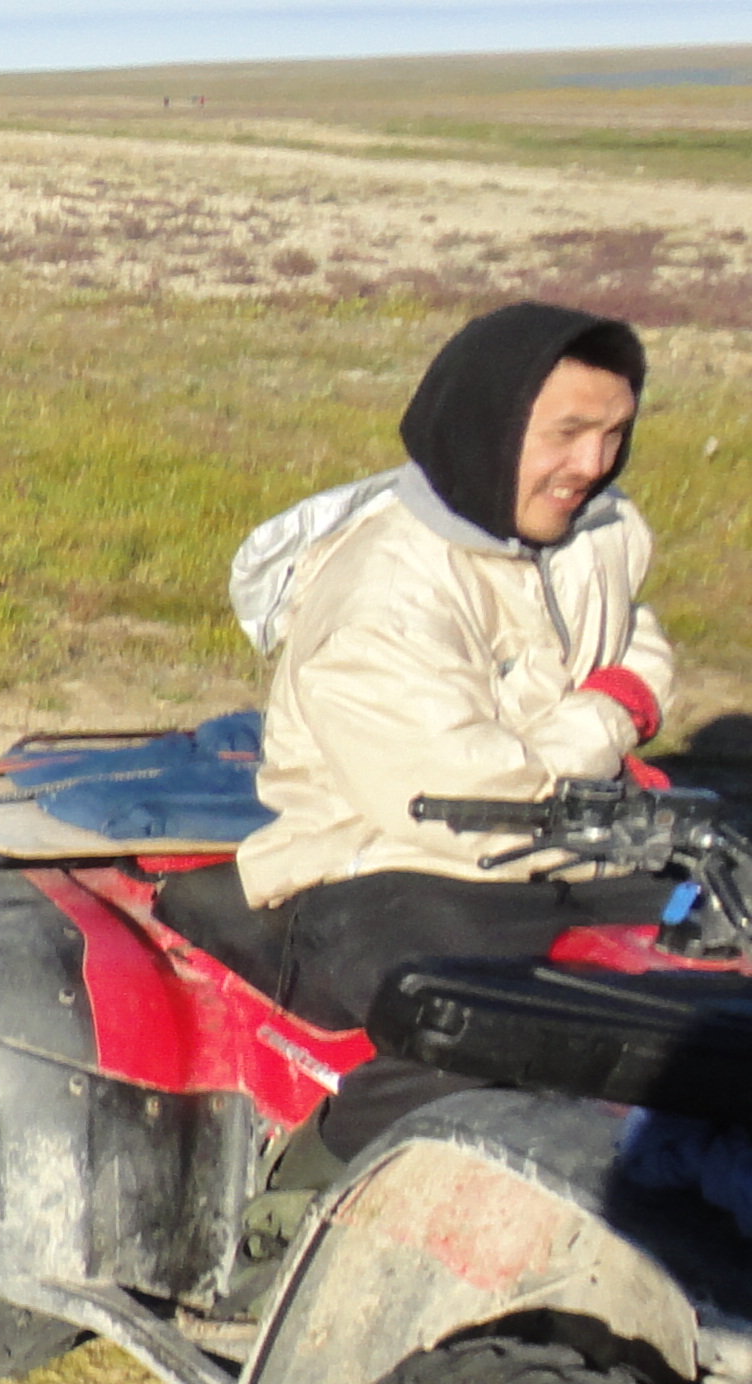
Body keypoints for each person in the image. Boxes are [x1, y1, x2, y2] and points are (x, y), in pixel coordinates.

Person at [235, 301, 679, 1154]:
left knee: (709, 990)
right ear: (489, 427)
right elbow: (465, 800)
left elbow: (636, 638)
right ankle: (312, 1188)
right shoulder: (383, 593)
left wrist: (619, 700)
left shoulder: (592, 530)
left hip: (566, 848)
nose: (593, 464)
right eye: (568, 434)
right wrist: (611, 715)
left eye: (614, 434)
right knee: (494, 1037)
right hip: (386, 866)